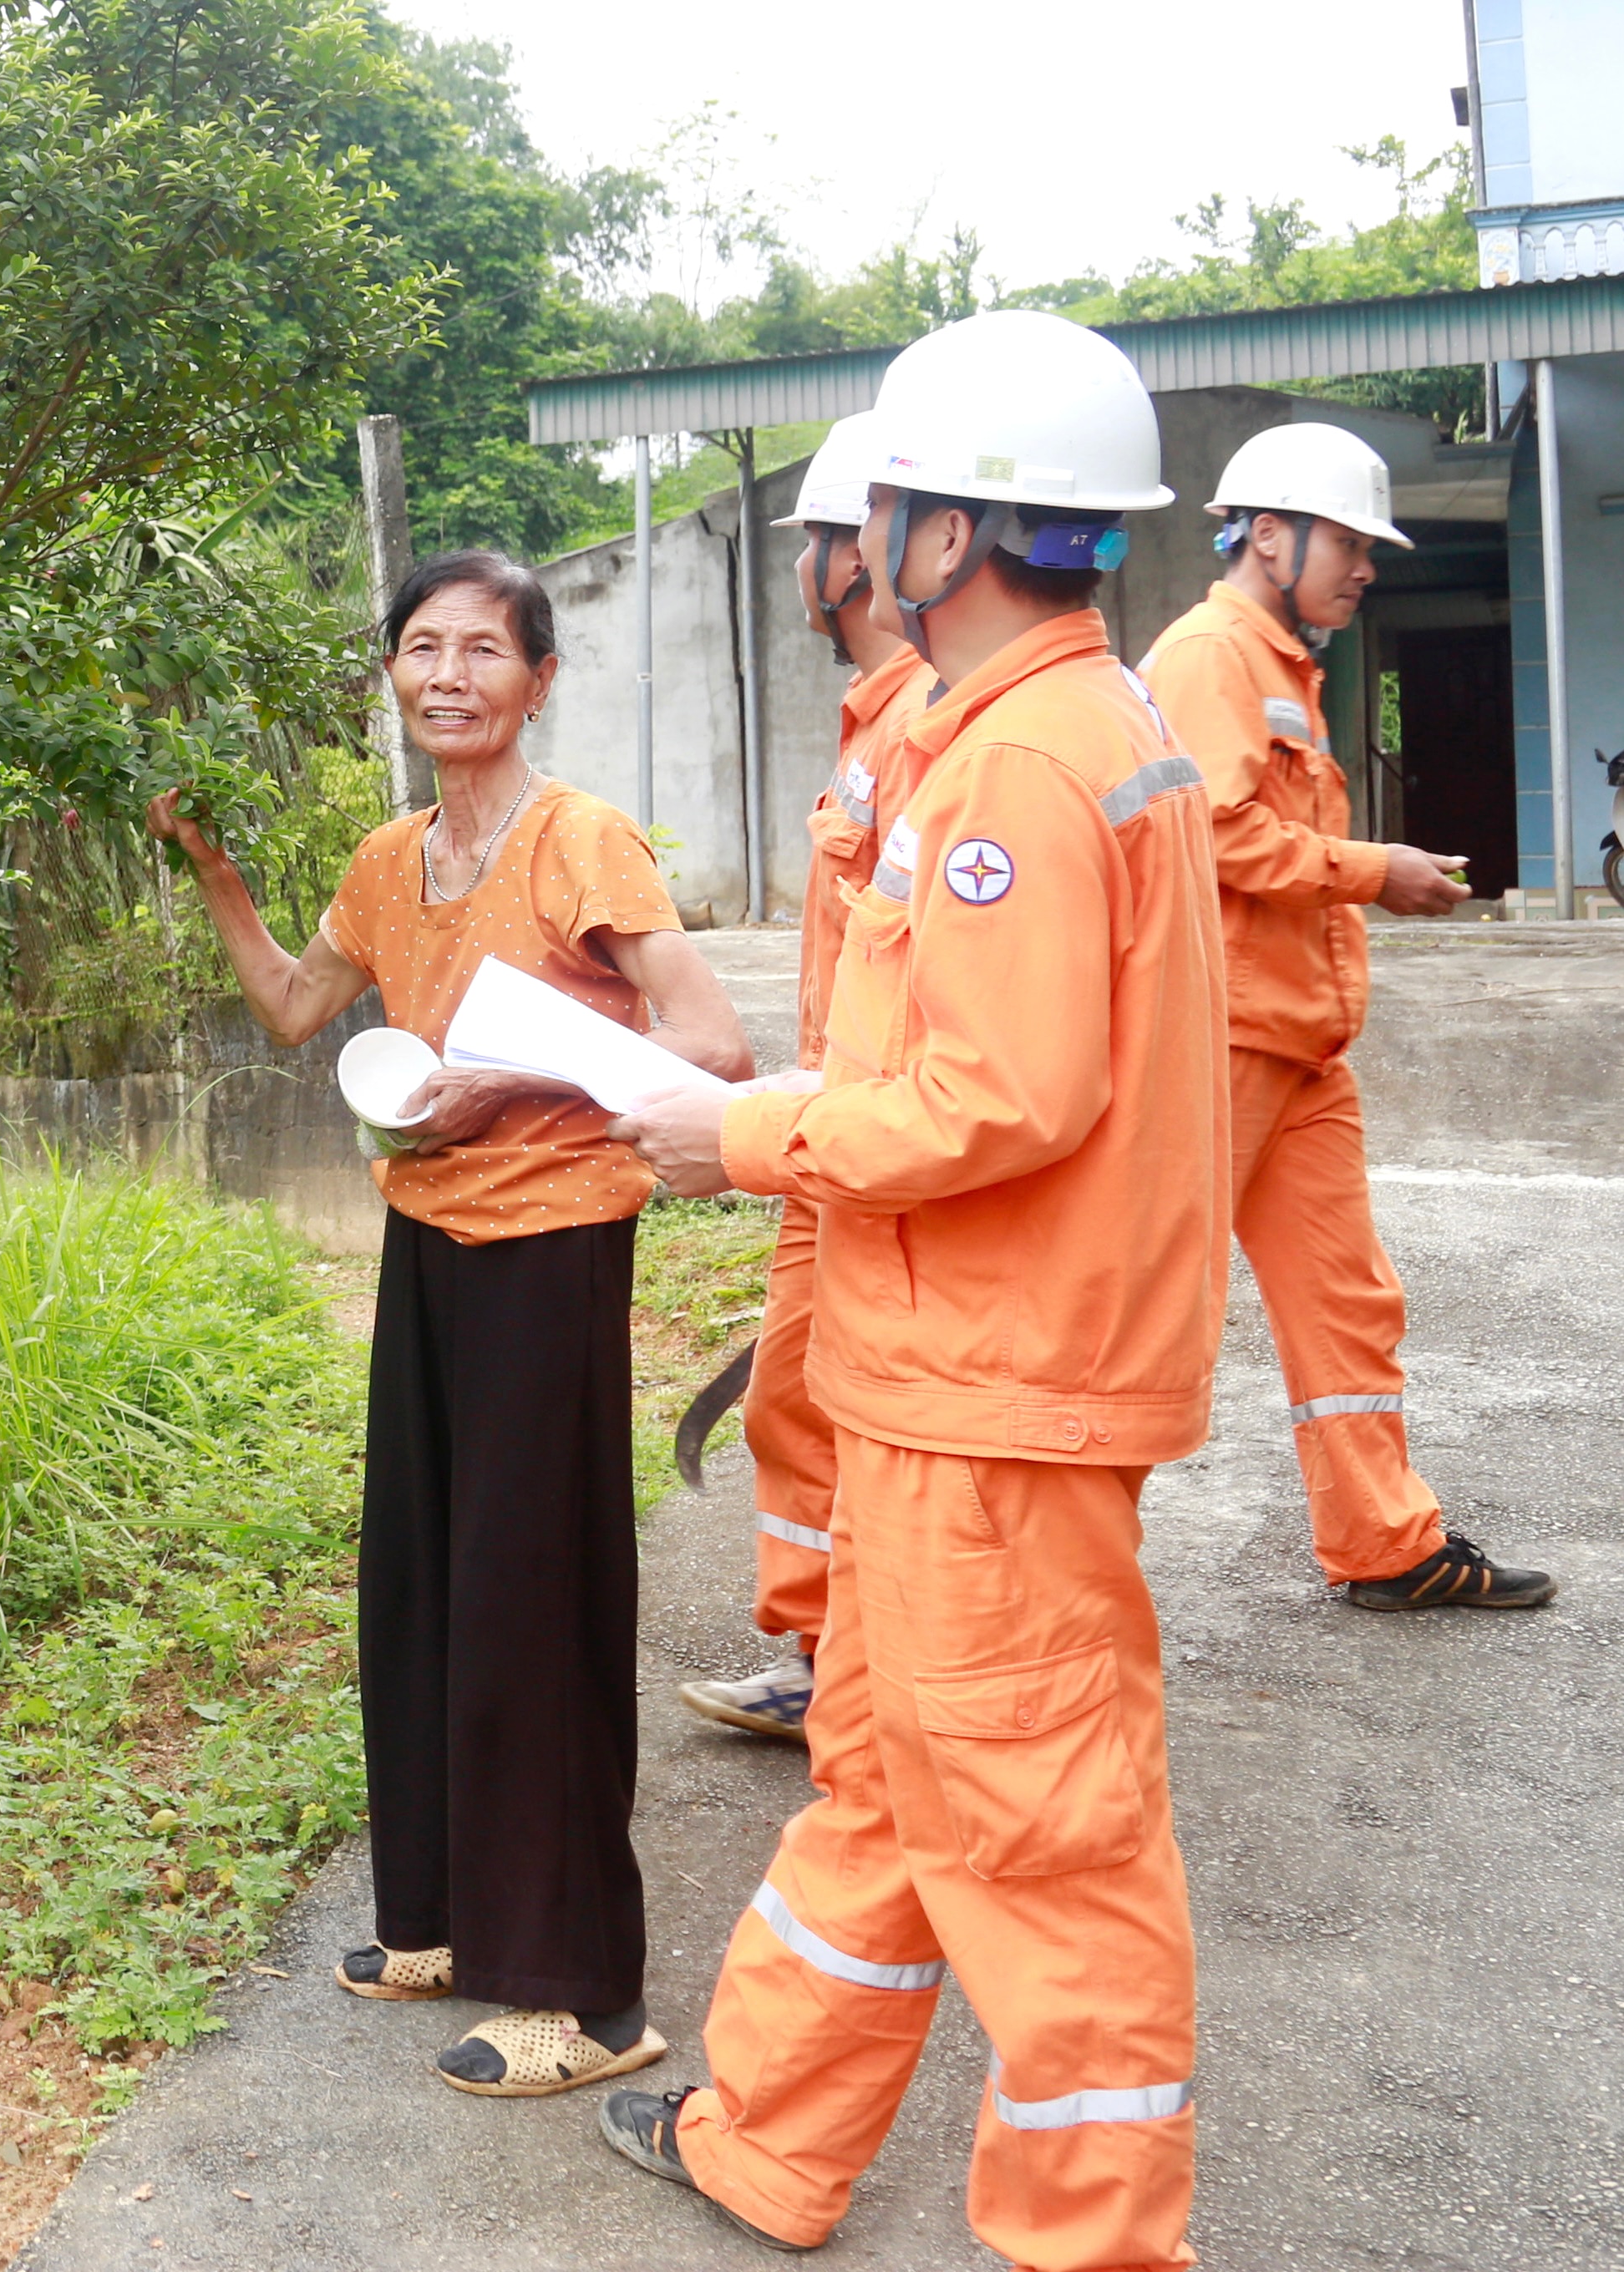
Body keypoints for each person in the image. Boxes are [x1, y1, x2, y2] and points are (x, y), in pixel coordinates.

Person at [591, 312, 1227, 2269]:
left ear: (951, 535)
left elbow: (999, 1094)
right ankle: (766, 2137)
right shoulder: (1041, 733)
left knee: (1047, 1854)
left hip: (994, 1400)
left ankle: (1097, 2240)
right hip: (950, 1386)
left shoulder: (1027, 766)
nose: (863, 546)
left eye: (883, 516)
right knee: (880, 1781)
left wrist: (746, 1135)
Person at [147, 549, 751, 2097]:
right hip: (427, 1249)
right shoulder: (385, 853)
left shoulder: (579, 842)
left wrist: (515, 1082)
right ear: (397, 679)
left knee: (530, 1607)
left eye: (485, 649)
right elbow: (295, 1008)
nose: (450, 674)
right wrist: (213, 869)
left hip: (552, 1254)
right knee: (421, 1587)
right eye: (423, 648)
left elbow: (712, 1042)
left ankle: (579, 1999)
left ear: (537, 680)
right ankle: (433, 1921)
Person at [1138, 423, 1556, 1614]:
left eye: (1369, 546)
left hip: (1299, 1047)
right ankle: (1021, 1567)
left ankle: (1385, 1544)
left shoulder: (1284, 664)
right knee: (1143, 1309)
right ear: (1265, 534)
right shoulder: (1207, 657)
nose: (1364, 565)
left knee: (1347, 1301)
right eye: (1346, 540)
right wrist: (1374, 868)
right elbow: (1212, 833)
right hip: (1221, 1041)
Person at [679, 412, 933, 1747]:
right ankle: (819, 1650)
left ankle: (851, 1661)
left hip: (865, 1138)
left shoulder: (924, 734)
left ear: (859, 556)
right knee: (788, 1391)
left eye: (811, 543)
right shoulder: (870, 725)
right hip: (822, 1119)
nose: (797, 570)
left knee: (835, 1397)